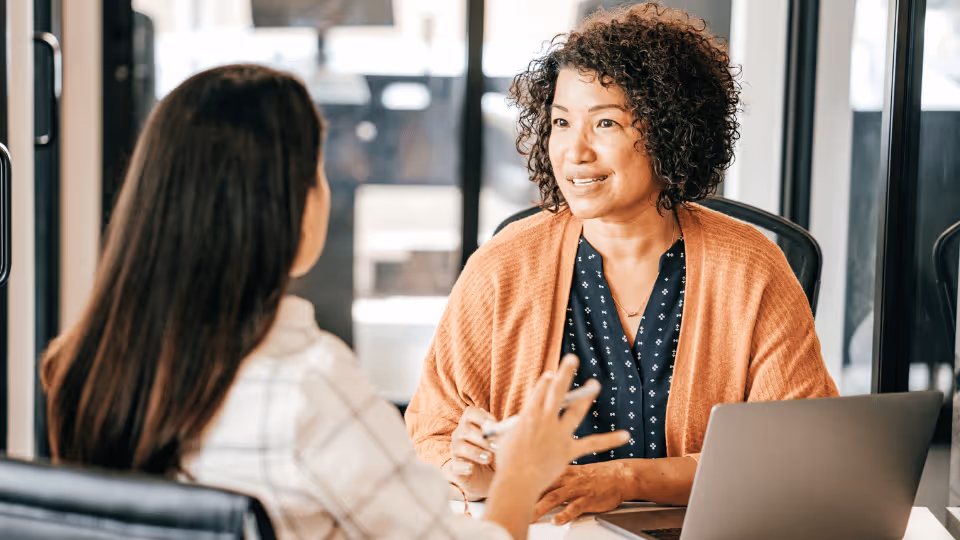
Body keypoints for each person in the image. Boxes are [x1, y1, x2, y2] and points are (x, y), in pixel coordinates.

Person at [40, 64, 628, 540]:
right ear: (286, 211)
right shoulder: (308, 386)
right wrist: (521, 474)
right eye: (317, 172)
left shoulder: (84, 366)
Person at [405, 3, 839, 525]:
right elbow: (431, 433)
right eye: (561, 122)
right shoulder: (502, 265)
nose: (574, 151)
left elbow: (794, 453)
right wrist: (468, 470)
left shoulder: (750, 266)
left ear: (668, 129)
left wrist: (626, 479)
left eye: (605, 122)